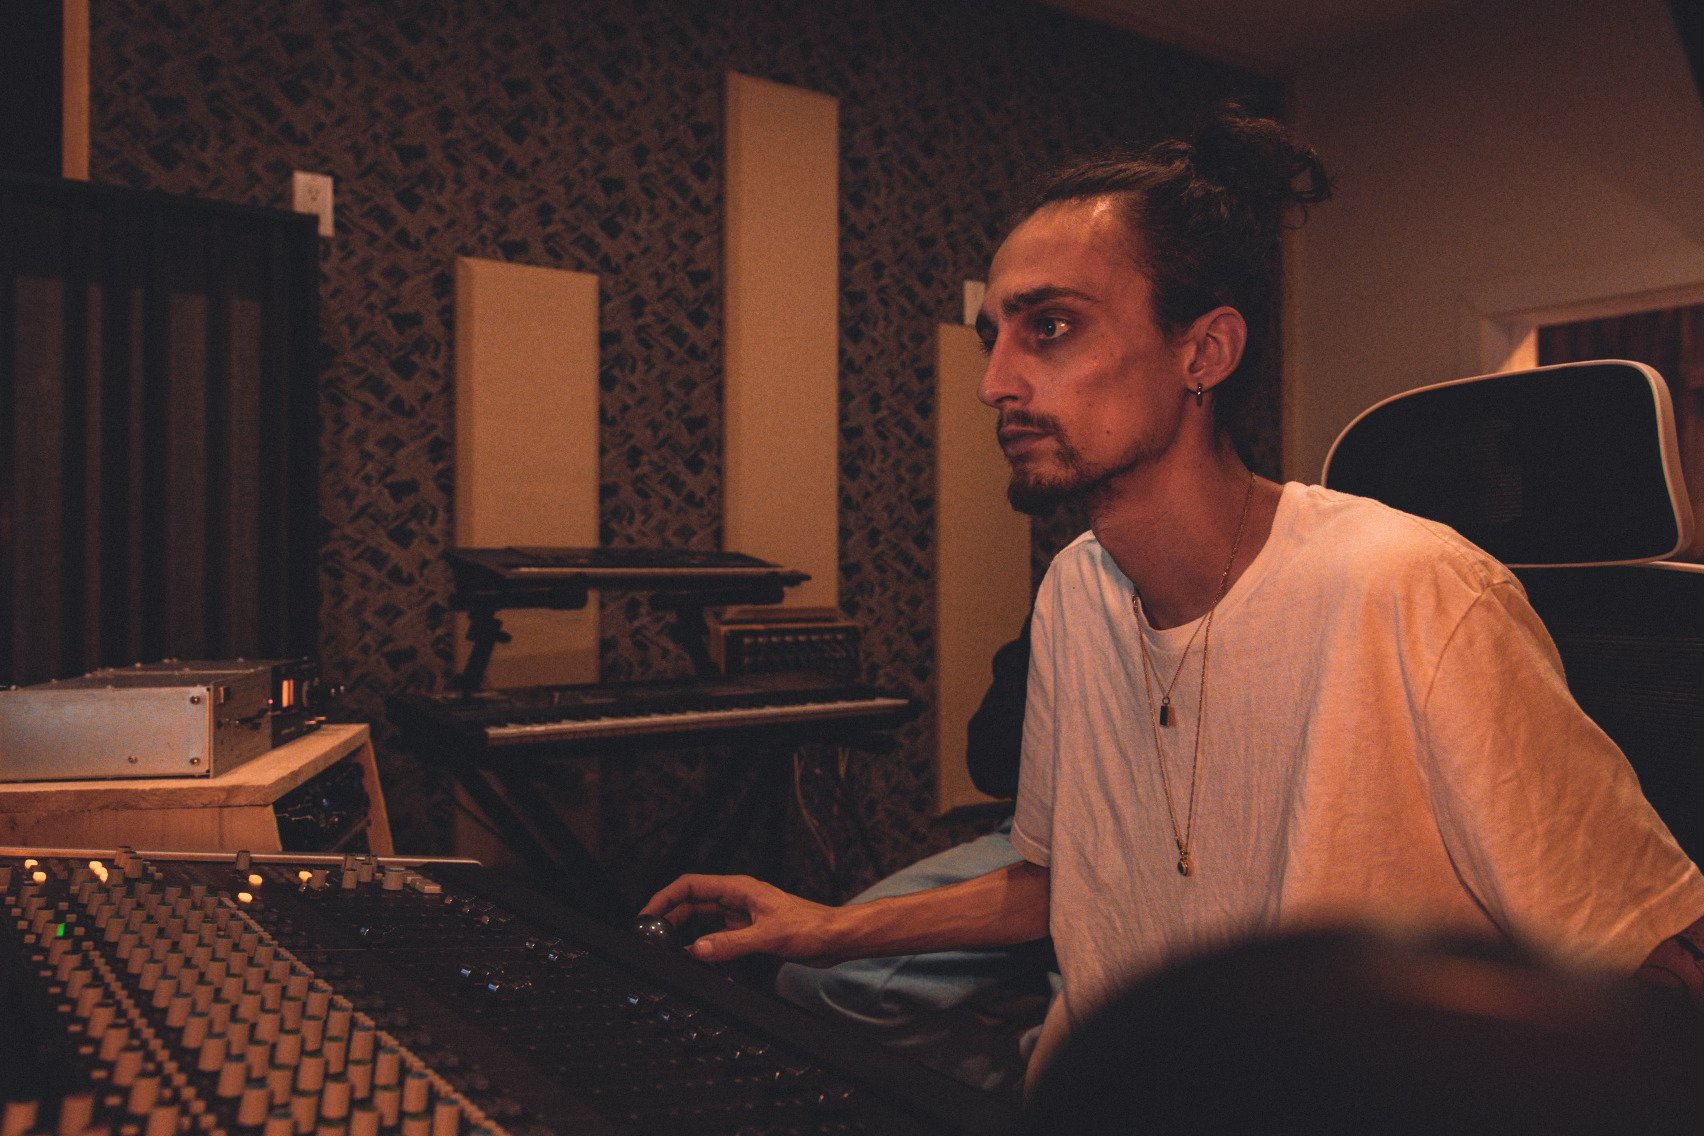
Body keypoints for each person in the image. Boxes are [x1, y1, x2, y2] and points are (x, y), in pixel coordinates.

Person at [644, 103, 1704, 1089]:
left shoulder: (1413, 588)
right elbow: (1064, 886)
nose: (996, 383)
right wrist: (817, 927)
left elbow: (1652, 965)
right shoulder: (1075, 593)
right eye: (995, 337)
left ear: (1203, 351)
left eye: (1049, 328)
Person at [774, 629, 1054, 1095]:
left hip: (1155, 853)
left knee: (1090, 1057)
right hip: (1039, 831)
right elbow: (988, 764)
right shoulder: (1075, 579)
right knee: (812, 981)